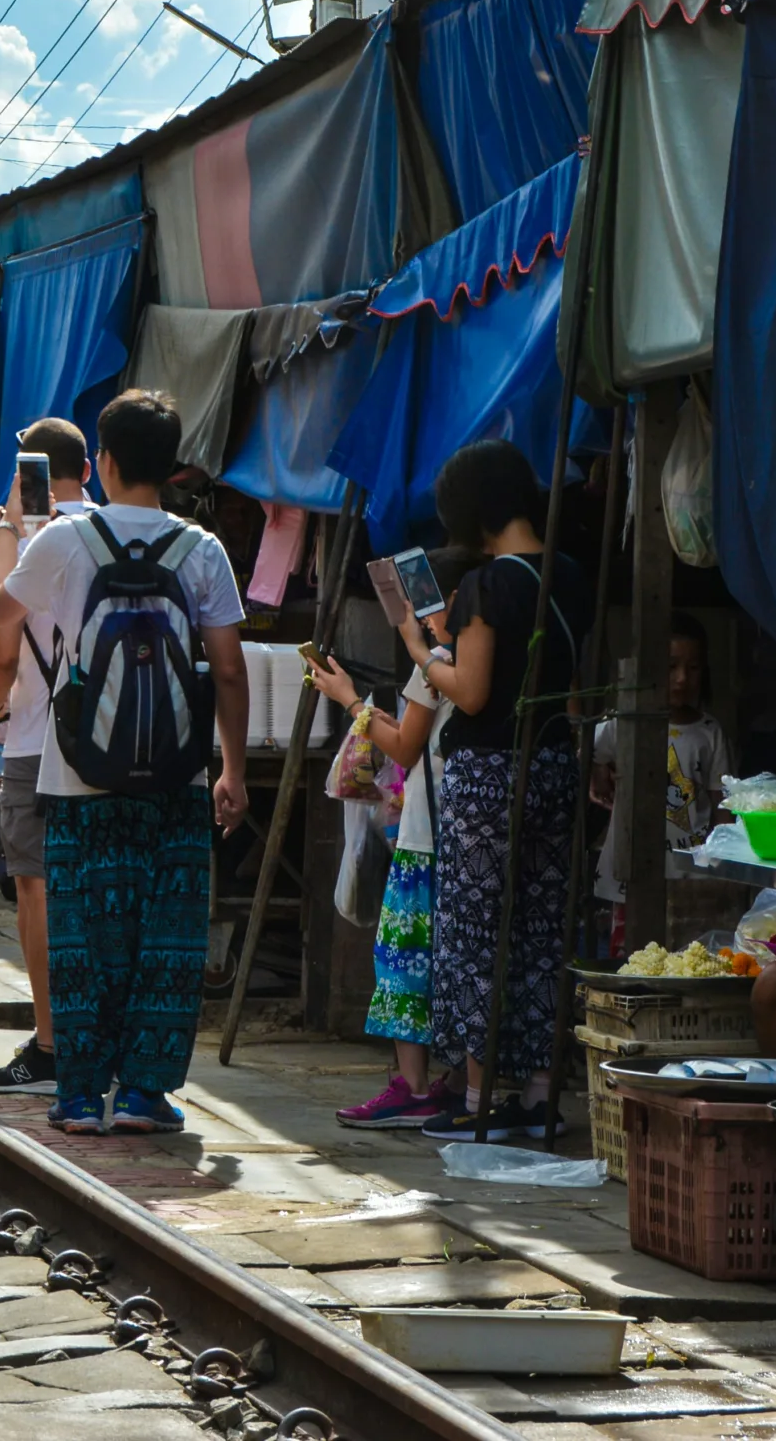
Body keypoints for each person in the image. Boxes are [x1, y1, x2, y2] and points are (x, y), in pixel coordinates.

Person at [0, 391, 248, 1136]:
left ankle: (76, 1094)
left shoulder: (64, 542)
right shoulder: (203, 550)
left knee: (82, 934)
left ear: (107, 463)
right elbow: (227, 669)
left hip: (76, 772)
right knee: (167, 932)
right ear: (174, 465)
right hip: (176, 775)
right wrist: (232, 769)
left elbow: (1, 612)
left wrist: (7, 526)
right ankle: (142, 1095)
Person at [402, 439, 592, 1142]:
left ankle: (478, 1098)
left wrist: (424, 651)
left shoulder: (487, 586)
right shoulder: (569, 575)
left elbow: (472, 693)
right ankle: (539, 1097)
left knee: (478, 935)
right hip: (552, 765)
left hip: (487, 777)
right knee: (544, 933)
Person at [307, 545, 484, 1127]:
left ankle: (411, 1085)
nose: (419, 613)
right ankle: (454, 1082)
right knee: (458, 961)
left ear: (451, 600)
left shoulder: (436, 659)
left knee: (406, 957)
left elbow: (405, 746)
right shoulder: (484, 661)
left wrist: (350, 700)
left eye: (424, 601)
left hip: (428, 835)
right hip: (468, 836)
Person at [0, 417, 94, 1097]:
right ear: (89, 471)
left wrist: (1, 525)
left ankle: (51, 1043)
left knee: (36, 891)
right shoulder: (124, 532)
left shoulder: (34, 536)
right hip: (116, 742)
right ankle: (102, 1038)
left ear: (23, 474)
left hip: (37, 738)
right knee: (99, 894)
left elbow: (0, 625)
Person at [589, 613, 735, 939]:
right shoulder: (626, 722)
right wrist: (598, 773)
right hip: (633, 870)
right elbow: (588, 751)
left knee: (687, 951)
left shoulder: (709, 732)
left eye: (693, 668)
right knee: (633, 954)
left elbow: (722, 803)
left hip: (691, 870)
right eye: (671, 667)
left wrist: (720, 862)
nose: (682, 678)